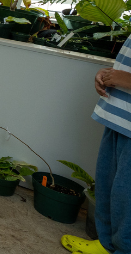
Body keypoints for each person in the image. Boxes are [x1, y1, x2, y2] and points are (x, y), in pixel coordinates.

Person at [61, 39, 131, 254]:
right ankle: (106, 244)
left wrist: (126, 79)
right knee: (110, 187)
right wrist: (110, 74)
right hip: (119, 116)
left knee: (126, 195)